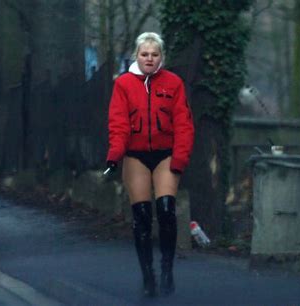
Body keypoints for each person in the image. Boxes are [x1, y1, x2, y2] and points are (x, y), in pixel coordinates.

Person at [105, 32, 194, 297]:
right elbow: (118, 123)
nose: (149, 59)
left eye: (155, 55)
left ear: (161, 57)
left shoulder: (173, 83)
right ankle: (148, 276)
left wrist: (180, 159)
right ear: (137, 55)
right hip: (135, 154)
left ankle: (167, 267)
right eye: (145, 54)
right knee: (142, 216)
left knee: (166, 210)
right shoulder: (123, 84)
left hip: (166, 154)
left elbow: (184, 124)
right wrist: (114, 155)